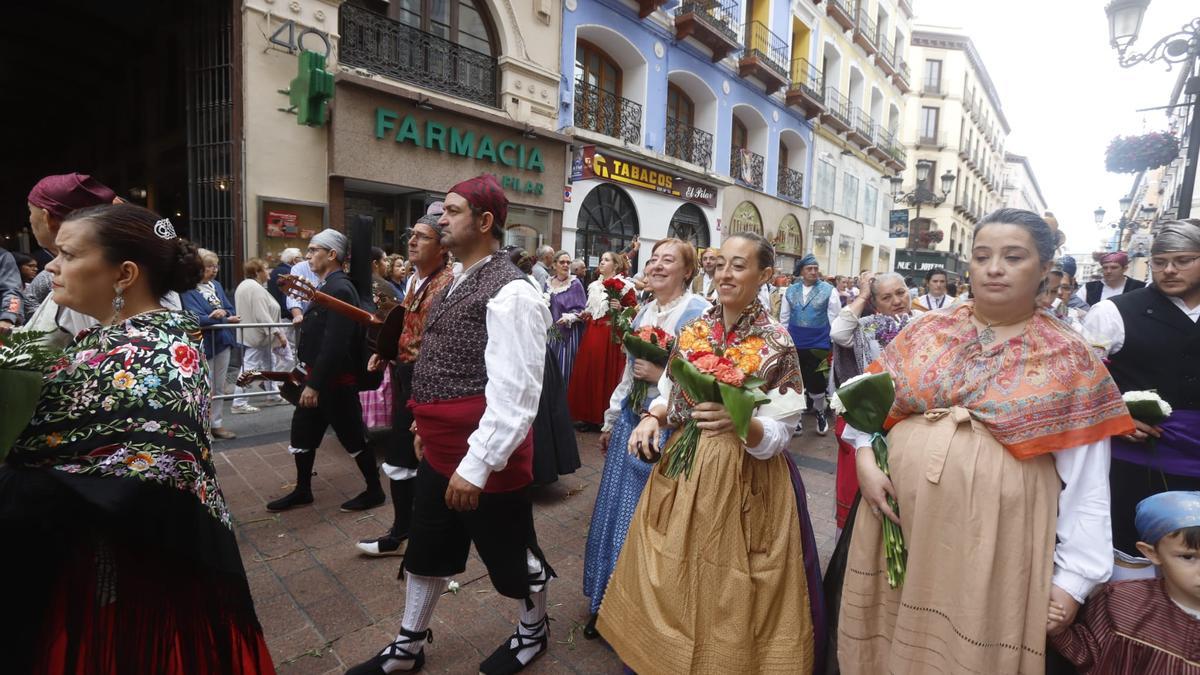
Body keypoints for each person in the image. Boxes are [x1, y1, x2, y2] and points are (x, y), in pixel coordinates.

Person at [837, 209, 1133, 675]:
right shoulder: (926, 332)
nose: (994, 267)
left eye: (1013, 257)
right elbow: (869, 407)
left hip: (996, 537)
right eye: (982, 256)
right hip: (900, 523)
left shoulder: (1070, 356)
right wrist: (867, 461)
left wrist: (1075, 578)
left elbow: (1088, 483)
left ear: (1044, 270)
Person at [0, 203, 274, 673]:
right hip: (82, 575)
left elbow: (147, 474)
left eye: (66, 254)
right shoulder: (102, 340)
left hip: (125, 590)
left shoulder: (158, 352)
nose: (50, 265)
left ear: (123, 273)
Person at [349, 175, 555, 674]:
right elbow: (442, 361)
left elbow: (519, 393)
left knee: (512, 557)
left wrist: (478, 464)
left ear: (485, 222)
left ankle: (534, 631)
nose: (441, 217)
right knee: (426, 548)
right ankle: (408, 645)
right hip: (442, 451)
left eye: (453, 211)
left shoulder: (514, 293)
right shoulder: (455, 278)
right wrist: (423, 424)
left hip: (485, 459)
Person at [599, 231, 824, 674]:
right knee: (672, 573)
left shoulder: (778, 342)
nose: (725, 273)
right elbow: (669, 390)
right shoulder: (694, 329)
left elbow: (782, 432)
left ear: (765, 276)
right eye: (721, 263)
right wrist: (653, 416)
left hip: (746, 479)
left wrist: (744, 422)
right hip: (684, 466)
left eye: (739, 266)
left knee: (731, 586)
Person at [581, 238, 710, 637]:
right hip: (630, 423)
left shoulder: (699, 315)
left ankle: (639, 615)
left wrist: (661, 376)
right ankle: (606, 601)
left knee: (652, 521)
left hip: (670, 431)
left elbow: (703, 380)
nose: (655, 266)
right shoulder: (640, 313)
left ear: (687, 271)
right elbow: (626, 373)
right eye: (653, 259)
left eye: (667, 260)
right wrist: (610, 418)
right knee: (618, 514)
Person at [1081, 219, 1200, 579]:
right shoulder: (1114, 312)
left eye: (1182, 260)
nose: (1168, 270)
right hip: (1138, 459)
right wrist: (1115, 417)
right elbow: (1081, 382)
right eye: (1159, 261)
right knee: (1133, 551)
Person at [356, 210, 455, 557]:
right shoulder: (414, 280)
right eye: (411, 235)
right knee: (403, 459)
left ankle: (414, 534)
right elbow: (407, 325)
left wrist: (427, 401)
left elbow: (441, 345)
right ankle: (405, 531)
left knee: (419, 458)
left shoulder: (448, 284)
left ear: (442, 247)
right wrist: (385, 351)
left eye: (422, 236)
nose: (412, 241)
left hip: (427, 380)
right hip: (406, 374)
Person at [265, 228, 384, 513]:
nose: (308, 256)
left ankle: (375, 490)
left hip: (334, 383)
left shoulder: (340, 288)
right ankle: (303, 490)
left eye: (313, 250)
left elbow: (335, 343)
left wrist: (314, 384)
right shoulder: (328, 285)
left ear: (332, 255)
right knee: (302, 433)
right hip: (317, 378)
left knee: (353, 436)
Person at [1050, 491, 1200, 674]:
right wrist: (1058, 630)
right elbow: (1090, 655)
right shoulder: (1122, 602)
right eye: (1188, 557)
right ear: (1151, 553)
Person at [828, 271, 912, 531]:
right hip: (876, 420)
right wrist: (863, 293)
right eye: (887, 297)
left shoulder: (924, 323)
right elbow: (838, 332)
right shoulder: (868, 327)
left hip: (913, 419)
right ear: (875, 303)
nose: (896, 300)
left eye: (901, 293)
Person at [19, 172, 125, 346]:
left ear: (47, 218)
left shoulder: (83, 285)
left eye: (68, 254)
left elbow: (31, 354)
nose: (49, 268)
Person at [566, 251, 633, 430]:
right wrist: (585, 314)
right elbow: (593, 309)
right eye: (601, 259)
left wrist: (621, 307)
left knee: (606, 372)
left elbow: (634, 311)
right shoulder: (594, 285)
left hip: (610, 334)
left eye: (606, 260)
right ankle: (588, 416)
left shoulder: (624, 285)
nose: (601, 262)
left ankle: (605, 417)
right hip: (593, 332)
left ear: (616, 265)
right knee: (591, 370)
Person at [181, 249, 242, 438]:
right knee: (203, 387)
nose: (214, 270)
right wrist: (218, 318)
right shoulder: (187, 289)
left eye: (216, 266)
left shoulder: (216, 285)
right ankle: (202, 427)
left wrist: (222, 314)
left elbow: (230, 309)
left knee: (217, 386)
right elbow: (194, 318)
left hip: (222, 341)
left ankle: (216, 424)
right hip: (202, 345)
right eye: (209, 266)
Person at [781, 253, 841, 436]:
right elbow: (784, 317)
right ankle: (797, 415)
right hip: (794, 342)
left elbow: (835, 317)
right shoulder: (790, 290)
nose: (814, 272)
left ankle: (820, 413)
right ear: (801, 272)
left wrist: (833, 341)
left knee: (816, 381)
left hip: (818, 343)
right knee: (795, 380)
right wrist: (783, 340)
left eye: (815, 268)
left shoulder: (829, 290)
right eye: (809, 269)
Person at [233, 258, 288, 410]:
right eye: (265, 268)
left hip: (256, 335)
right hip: (258, 336)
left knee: (269, 363)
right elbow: (262, 314)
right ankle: (239, 402)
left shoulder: (247, 285)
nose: (269, 271)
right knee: (249, 367)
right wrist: (279, 333)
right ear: (257, 272)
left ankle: (273, 394)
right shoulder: (254, 288)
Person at [547, 250, 587, 384]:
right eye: (562, 262)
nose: (565, 265)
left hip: (569, 333)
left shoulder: (575, 283)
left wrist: (570, 317)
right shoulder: (548, 283)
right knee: (550, 365)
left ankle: (564, 401)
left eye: (568, 262)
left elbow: (583, 309)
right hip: (551, 331)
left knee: (565, 367)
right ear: (554, 265)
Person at [1078, 251, 1145, 306]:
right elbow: (1076, 306)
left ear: (1124, 269)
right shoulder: (1089, 288)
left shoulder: (1140, 287)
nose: (1108, 271)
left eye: (1114, 267)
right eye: (1105, 268)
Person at [268, 247, 301, 312]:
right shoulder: (289, 273)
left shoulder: (277, 269)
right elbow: (287, 296)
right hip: (285, 314)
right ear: (294, 260)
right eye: (301, 258)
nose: (303, 261)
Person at [10, 250, 38, 321]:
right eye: (30, 266)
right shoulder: (10, 288)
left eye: (35, 266)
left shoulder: (30, 287)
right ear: (17, 266)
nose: (35, 269)